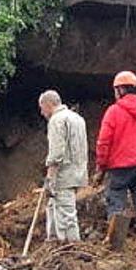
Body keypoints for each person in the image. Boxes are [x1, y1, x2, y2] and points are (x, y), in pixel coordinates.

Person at [94, 71, 136, 233]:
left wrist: (101, 168)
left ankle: (115, 244)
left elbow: (104, 142)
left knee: (116, 203)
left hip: (119, 169)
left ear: (119, 90)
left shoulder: (113, 112)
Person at [38, 90, 88, 242]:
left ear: (49, 104)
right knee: (53, 206)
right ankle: (52, 241)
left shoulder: (56, 120)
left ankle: (71, 246)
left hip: (63, 175)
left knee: (66, 212)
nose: (41, 112)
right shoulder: (78, 119)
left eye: (42, 108)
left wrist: (50, 176)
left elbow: (57, 152)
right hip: (78, 172)